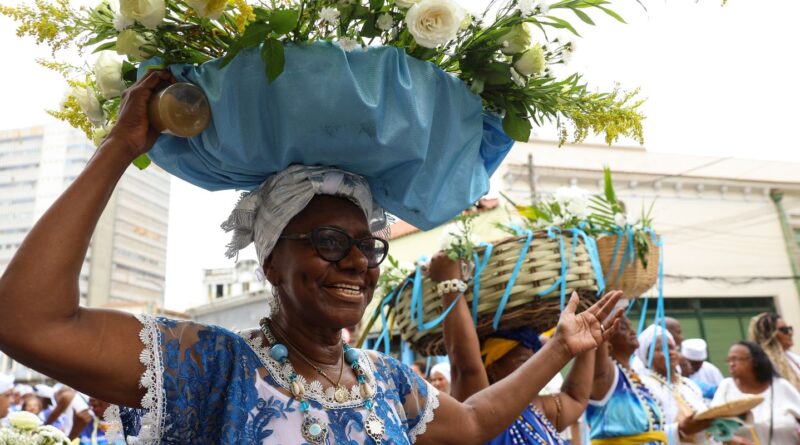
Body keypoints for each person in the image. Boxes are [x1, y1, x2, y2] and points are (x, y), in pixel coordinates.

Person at [0, 71, 623, 444]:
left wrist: (562, 348)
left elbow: (473, 423)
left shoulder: (388, 383)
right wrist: (121, 145)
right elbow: (29, 322)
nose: (357, 262)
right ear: (271, 261)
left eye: (367, 246)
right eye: (329, 243)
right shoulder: (213, 365)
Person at [435, 244, 621, 445]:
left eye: (534, 354)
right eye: (523, 359)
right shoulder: (480, 408)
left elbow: (576, 397)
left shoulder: (537, 410)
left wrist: (587, 342)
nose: (537, 361)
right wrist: (450, 284)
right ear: (492, 370)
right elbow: (466, 366)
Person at [589, 314, 669, 444]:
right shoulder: (606, 377)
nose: (632, 332)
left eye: (630, 327)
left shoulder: (634, 378)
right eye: (623, 328)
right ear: (607, 342)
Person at [635, 325, 713, 444]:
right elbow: (643, 432)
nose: (670, 352)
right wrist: (679, 430)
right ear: (647, 356)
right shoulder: (643, 386)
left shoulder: (689, 385)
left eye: (671, 347)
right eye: (661, 349)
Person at [711, 341, 800, 444]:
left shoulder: (781, 386)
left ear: (755, 361)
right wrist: (737, 441)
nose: (731, 364)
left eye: (736, 359)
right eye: (729, 360)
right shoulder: (726, 387)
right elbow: (712, 426)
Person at [748, 312, 800, 390]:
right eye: (784, 330)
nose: (790, 333)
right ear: (769, 335)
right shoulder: (764, 363)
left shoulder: (793, 358)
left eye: (789, 329)